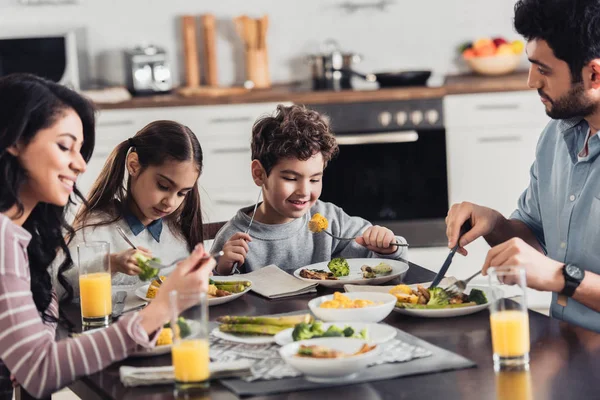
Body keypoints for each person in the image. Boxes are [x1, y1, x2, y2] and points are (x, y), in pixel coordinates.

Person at [0, 73, 215, 399]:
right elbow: (38, 371)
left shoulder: (20, 235)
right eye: (64, 146)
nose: (80, 165)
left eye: (80, 150)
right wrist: (158, 310)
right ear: (14, 141)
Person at [446, 0, 600, 332]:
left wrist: (561, 277)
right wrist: (495, 224)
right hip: (568, 344)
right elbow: (538, 240)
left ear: (594, 74)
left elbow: (553, 272)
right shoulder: (555, 138)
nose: (531, 82)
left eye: (543, 70)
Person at [211, 104, 408, 275]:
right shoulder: (233, 237)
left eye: (315, 179)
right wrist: (222, 269)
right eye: (290, 178)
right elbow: (212, 295)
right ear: (259, 174)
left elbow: (386, 264)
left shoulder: (330, 220)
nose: (304, 191)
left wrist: (388, 247)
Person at [61, 120, 205, 294]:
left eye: (182, 193)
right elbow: (60, 287)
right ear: (133, 165)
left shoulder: (176, 234)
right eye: (163, 186)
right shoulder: (94, 227)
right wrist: (110, 263)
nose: (171, 202)